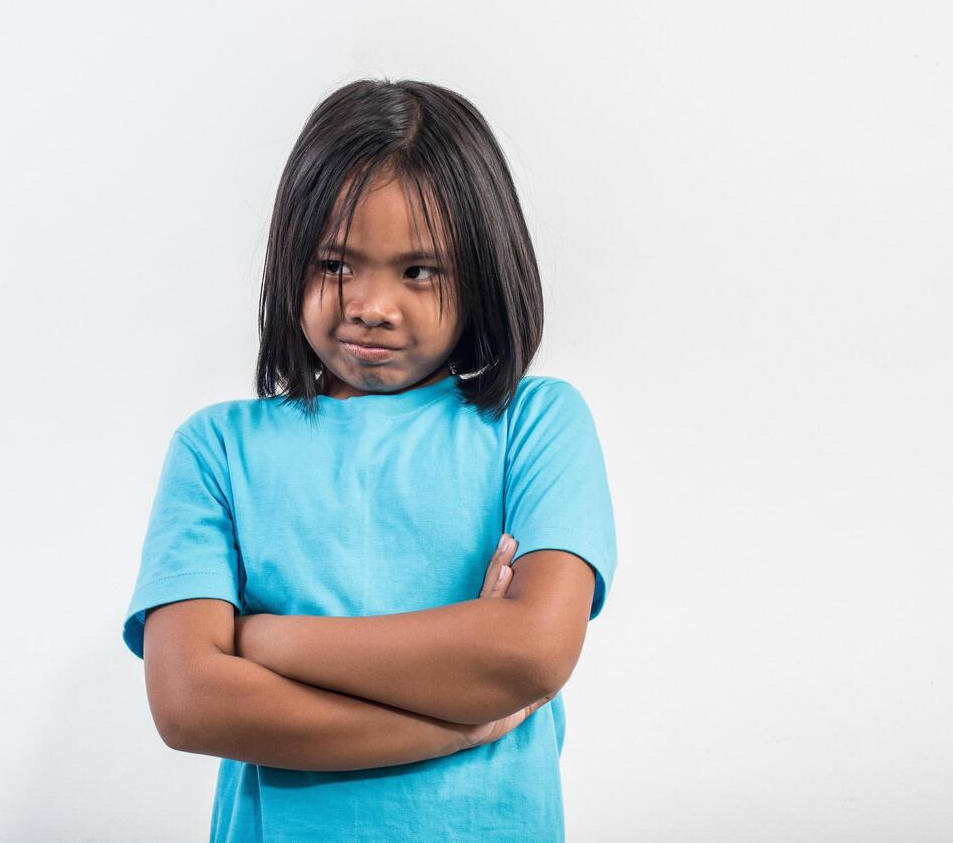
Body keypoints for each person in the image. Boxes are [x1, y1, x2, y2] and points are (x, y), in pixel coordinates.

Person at [122, 78, 619, 842]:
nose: (370, 305)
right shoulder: (218, 446)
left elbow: (528, 656)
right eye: (335, 265)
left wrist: (262, 639)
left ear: (482, 269)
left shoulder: (534, 424)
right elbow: (189, 703)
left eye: (419, 271)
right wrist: (456, 722)